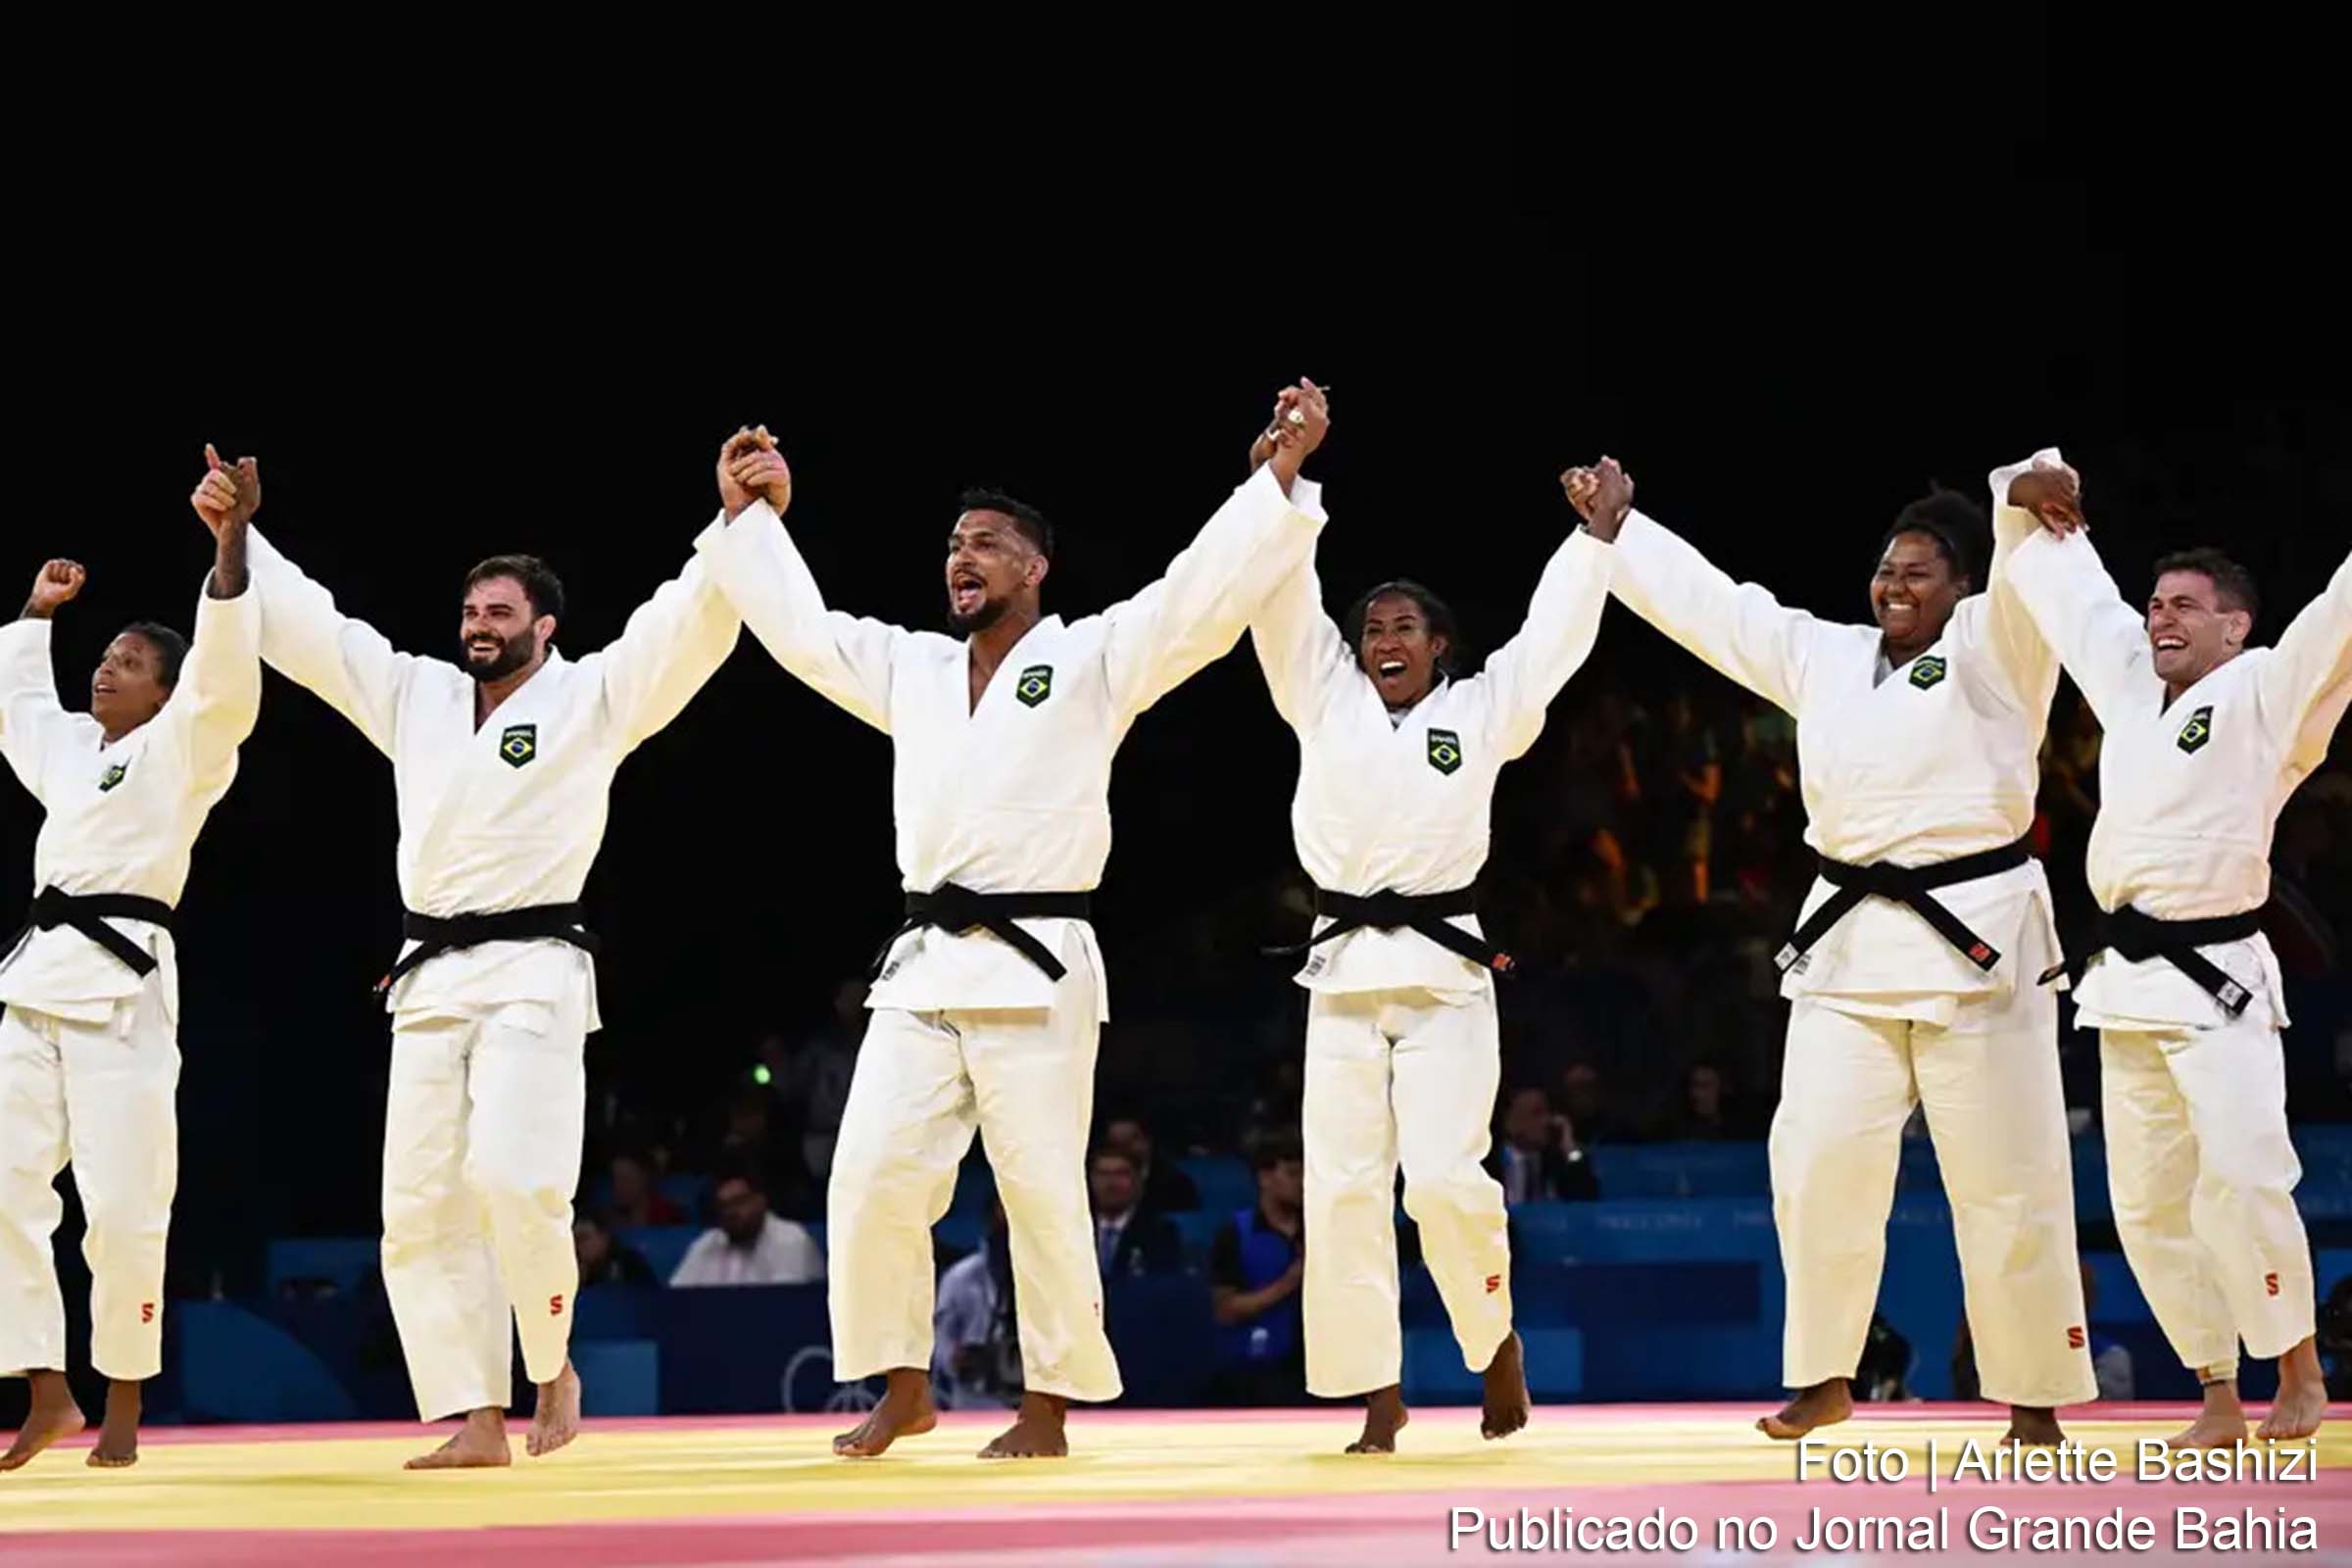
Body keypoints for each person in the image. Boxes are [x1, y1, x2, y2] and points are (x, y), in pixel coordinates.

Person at [698, 390, 1331, 1459]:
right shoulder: (915, 668)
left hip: (1039, 967)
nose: (963, 557)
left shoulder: (1090, 658)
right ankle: (904, 1382)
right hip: (923, 965)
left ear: (1036, 566)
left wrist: (1275, 480)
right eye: (954, 543)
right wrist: (753, 520)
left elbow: (1195, 599)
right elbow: (801, 635)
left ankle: (1047, 1404)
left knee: (1040, 1192)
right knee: (867, 1179)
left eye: (986, 543)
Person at [224, 436, 744, 1467]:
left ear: (544, 627)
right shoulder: (415, 693)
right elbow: (316, 633)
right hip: (428, 979)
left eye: (501, 613)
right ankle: (473, 1415)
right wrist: (239, 535)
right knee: (415, 1203)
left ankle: (552, 1365)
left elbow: (682, 627)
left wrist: (734, 523)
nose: (479, 626)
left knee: (513, 1177)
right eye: (471, 612)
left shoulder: (592, 698)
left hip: (536, 969)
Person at [1563, 452, 2095, 1443]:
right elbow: (1721, 612)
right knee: (1814, 1162)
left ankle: (2032, 1393)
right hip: (1850, 943)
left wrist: (2021, 493)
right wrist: (1622, 526)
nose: (1894, 583)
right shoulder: (1828, 655)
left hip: (1980, 939)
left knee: (2008, 1176)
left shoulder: (2000, 645)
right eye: (1887, 568)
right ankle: (1824, 1373)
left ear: (1965, 586)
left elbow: (2026, 557)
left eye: (1919, 570)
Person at [1247, 383, 1612, 1451]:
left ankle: (1493, 1339)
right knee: (1347, 1188)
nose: (1382, 637)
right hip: (1344, 969)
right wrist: (1283, 479)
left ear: (1441, 645)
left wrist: (1592, 542)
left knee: (1445, 1178)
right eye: (1372, 626)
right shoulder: (1321, 697)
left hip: (1448, 972)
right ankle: (1377, 1393)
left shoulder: (1481, 710)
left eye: (1405, 626)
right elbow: (1281, 598)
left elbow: (1550, 641)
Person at [1999, 456, 2348, 1445]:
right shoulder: (2127, 683)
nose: (2161, 618)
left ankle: (2302, 1369)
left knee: (2245, 1178)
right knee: (2149, 1205)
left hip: (2221, 985)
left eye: (2186, 607)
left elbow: (2341, 611)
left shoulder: (2269, 693)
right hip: (2123, 986)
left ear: (2235, 626)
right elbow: (2068, 584)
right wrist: (2027, 491)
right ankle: (2219, 1396)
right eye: (2157, 603)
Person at [0, 451, 261, 1471]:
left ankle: (121, 1400)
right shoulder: (70, 750)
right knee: (5, 1186)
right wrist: (34, 615)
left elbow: (227, 674)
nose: (104, 666)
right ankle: (45, 1384)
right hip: (33, 982)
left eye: (126, 660)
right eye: (101, 654)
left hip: (123, 984)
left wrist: (229, 542)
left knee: (122, 1202)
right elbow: (19, 711)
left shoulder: (183, 749)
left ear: (164, 692)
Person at [1208, 1133, 1307, 1407]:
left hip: (1321, 1365)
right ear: (1265, 1177)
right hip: (1259, 1369)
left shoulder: (1323, 1229)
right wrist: (1290, 1282)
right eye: (1293, 1173)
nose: (1303, 1182)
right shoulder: (1234, 1233)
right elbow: (1226, 1310)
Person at [669, 1159, 824, 1287]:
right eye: (724, 1206)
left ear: (761, 1200)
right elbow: (676, 1298)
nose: (730, 1213)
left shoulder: (792, 1240)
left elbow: (788, 1302)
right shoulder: (707, 1244)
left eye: (738, 1202)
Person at [933, 1201, 1019, 1409]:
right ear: (990, 1223)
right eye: (1002, 1216)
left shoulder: (1047, 1279)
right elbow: (939, 1339)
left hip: (1034, 1395)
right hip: (976, 1399)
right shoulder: (961, 1277)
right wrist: (954, 1357)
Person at [1489, 1087, 1600, 1205]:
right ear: (1510, 1123)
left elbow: (1587, 1201)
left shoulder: (1558, 1161)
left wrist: (1569, 1146)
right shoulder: (1489, 1164)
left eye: (1548, 1112)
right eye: (1536, 1113)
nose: (1547, 1121)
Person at [1088, 1145, 1183, 1279]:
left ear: (1138, 1179)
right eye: (1102, 1174)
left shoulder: (1161, 1232)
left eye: (1120, 1174)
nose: (1111, 1183)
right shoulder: (1075, 1229)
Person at [1101, 1112, 1200, 1214]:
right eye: (1115, 1142)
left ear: (1148, 1141)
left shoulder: (1174, 1183)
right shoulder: (1091, 1185)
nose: (1124, 1147)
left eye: (1132, 1139)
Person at [573, 1215, 655, 1289]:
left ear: (604, 1238)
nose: (577, 1245)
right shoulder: (572, 1267)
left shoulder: (629, 1263)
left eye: (584, 1238)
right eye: (575, 1239)